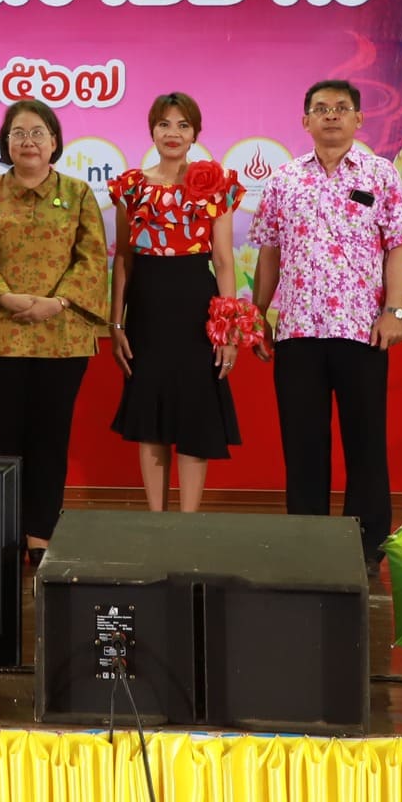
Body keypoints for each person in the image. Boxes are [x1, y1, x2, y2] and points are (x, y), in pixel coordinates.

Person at [251, 79, 402, 567]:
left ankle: (365, 547)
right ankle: (309, 543)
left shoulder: (381, 174)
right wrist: (257, 314)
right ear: (305, 120)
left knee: (365, 441)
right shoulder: (283, 179)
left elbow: (399, 246)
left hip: (362, 330)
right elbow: (269, 252)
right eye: (321, 109)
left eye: (341, 108)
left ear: (358, 119)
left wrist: (395, 311)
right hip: (298, 331)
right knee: (303, 443)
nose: (331, 116)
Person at [0, 98, 109, 563]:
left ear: (54, 142)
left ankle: (41, 534)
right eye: (18, 133)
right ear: (5, 143)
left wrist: (57, 303)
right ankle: (5, 535)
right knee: (5, 439)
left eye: (37, 132)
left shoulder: (78, 194)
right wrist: (6, 298)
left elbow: (92, 259)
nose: (28, 141)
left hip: (61, 339)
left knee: (50, 439)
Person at [107, 92, 242, 512]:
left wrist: (227, 331)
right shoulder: (131, 186)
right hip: (146, 313)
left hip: (197, 312)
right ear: (152, 130)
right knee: (150, 417)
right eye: (164, 124)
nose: (173, 133)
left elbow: (224, 262)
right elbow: (123, 259)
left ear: (195, 133)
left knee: (195, 414)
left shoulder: (216, 185)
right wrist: (116, 324)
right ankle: (156, 521)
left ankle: (187, 524)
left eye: (183, 125)